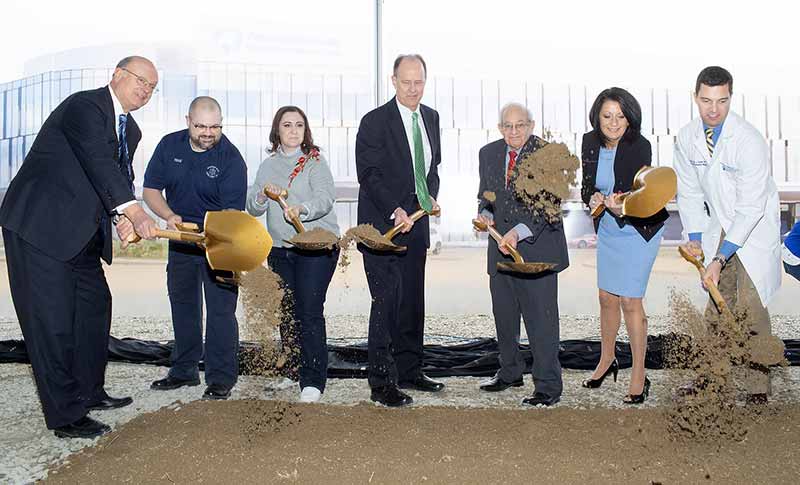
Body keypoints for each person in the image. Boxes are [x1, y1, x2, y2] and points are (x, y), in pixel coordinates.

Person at [0, 56, 159, 438]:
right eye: (141, 80)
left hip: (82, 236)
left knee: (93, 310)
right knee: (52, 323)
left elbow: (118, 177)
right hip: (41, 228)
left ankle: (90, 391)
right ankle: (67, 416)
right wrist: (135, 212)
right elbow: (98, 161)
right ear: (117, 75)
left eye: (152, 88)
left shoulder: (131, 130)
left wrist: (121, 217)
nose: (146, 90)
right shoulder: (84, 106)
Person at [675, 66, 781, 405]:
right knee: (717, 306)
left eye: (721, 101)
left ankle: (757, 385)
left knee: (750, 304)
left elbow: (750, 207)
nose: (713, 109)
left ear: (730, 98)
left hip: (753, 226)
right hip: (718, 221)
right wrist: (694, 238)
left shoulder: (748, 139)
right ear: (695, 97)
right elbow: (689, 192)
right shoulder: (687, 137)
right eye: (706, 100)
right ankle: (713, 377)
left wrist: (720, 258)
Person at [143, 96, 247, 401]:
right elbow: (150, 190)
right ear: (188, 120)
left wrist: (209, 236)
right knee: (183, 304)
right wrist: (168, 217)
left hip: (219, 242)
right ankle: (183, 370)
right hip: (180, 241)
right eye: (201, 126)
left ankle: (220, 378)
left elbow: (232, 217)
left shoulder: (231, 159)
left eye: (215, 127)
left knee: (220, 311)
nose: (208, 133)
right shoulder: (168, 146)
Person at [355, 54, 443, 407]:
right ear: (393, 80)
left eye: (418, 82)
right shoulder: (374, 121)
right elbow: (369, 173)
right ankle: (381, 382)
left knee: (412, 301)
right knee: (386, 302)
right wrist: (396, 208)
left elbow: (432, 168)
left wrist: (430, 197)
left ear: (425, 80)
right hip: (382, 229)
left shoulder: (431, 118)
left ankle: (410, 369)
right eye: (405, 82)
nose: (412, 89)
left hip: (417, 227)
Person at [475, 103, 569, 407]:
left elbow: (548, 204)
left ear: (530, 125)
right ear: (500, 128)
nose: (513, 132)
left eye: (520, 125)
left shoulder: (548, 155)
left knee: (541, 322)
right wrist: (484, 214)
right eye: (507, 126)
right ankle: (510, 372)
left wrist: (518, 231)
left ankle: (548, 387)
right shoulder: (487, 153)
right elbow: (485, 196)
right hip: (499, 251)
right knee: (504, 317)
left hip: (535, 249)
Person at [580, 88, 668, 404]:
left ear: (629, 117)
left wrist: (621, 204)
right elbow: (586, 186)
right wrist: (590, 198)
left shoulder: (639, 145)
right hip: (608, 228)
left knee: (630, 300)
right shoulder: (589, 142)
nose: (614, 123)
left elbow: (640, 195)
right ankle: (607, 359)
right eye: (607, 116)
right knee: (606, 297)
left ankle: (639, 375)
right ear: (597, 117)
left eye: (620, 116)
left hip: (638, 228)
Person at [247, 106, 340, 403]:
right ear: (277, 131)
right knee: (286, 311)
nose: (293, 130)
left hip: (315, 247)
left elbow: (326, 197)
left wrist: (303, 209)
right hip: (279, 248)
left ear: (305, 130)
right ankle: (292, 371)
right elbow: (253, 206)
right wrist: (263, 195)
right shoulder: (267, 166)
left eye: (299, 125)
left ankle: (313, 381)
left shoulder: (314, 162)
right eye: (287, 125)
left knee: (308, 312)